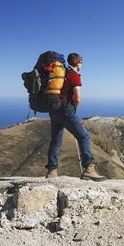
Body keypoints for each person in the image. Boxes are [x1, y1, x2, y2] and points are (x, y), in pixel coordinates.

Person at [45, 53, 105, 181]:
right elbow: (77, 97)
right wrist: (74, 108)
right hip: (67, 110)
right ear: (78, 63)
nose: (81, 65)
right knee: (84, 136)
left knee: (56, 140)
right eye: (81, 63)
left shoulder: (62, 73)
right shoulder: (74, 76)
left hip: (54, 111)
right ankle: (89, 169)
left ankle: (52, 171)